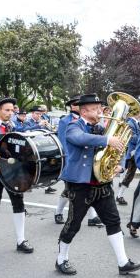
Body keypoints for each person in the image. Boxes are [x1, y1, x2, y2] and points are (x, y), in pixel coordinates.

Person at [55, 94, 140, 276]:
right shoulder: (73, 126)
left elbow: (119, 148)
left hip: (102, 182)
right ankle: (61, 259)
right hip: (81, 184)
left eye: (100, 108)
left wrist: (120, 165)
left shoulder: (102, 128)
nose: (101, 111)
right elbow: (80, 139)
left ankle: (123, 262)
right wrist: (107, 140)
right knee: (73, 224)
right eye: (96, 108)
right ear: (84, 110)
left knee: (113, 221)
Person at [0, 97, 43, 251]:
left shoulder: (13, 125)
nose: (11, 113)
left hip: (12, 172)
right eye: (7, 110)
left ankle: (21, 240)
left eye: (12, 110)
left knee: (19, 204)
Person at [54, 96, 101, 227]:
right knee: (68, 190)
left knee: (90, 187)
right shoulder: (66, 121)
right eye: (75, 104)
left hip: (86, 159)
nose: (77, 105)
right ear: (72, 106)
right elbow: (63, 140)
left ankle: (92, 217)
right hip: (70, 157)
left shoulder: (92, 122)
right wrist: (67, 158)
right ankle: (58, 211)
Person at [116, 110, 140, 205]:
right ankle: (119, 196)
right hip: (133, 153)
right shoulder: (130, 123)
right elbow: (133, 138)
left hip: (138, 151)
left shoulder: (137, 122)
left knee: (130, 174)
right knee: (130, 175)